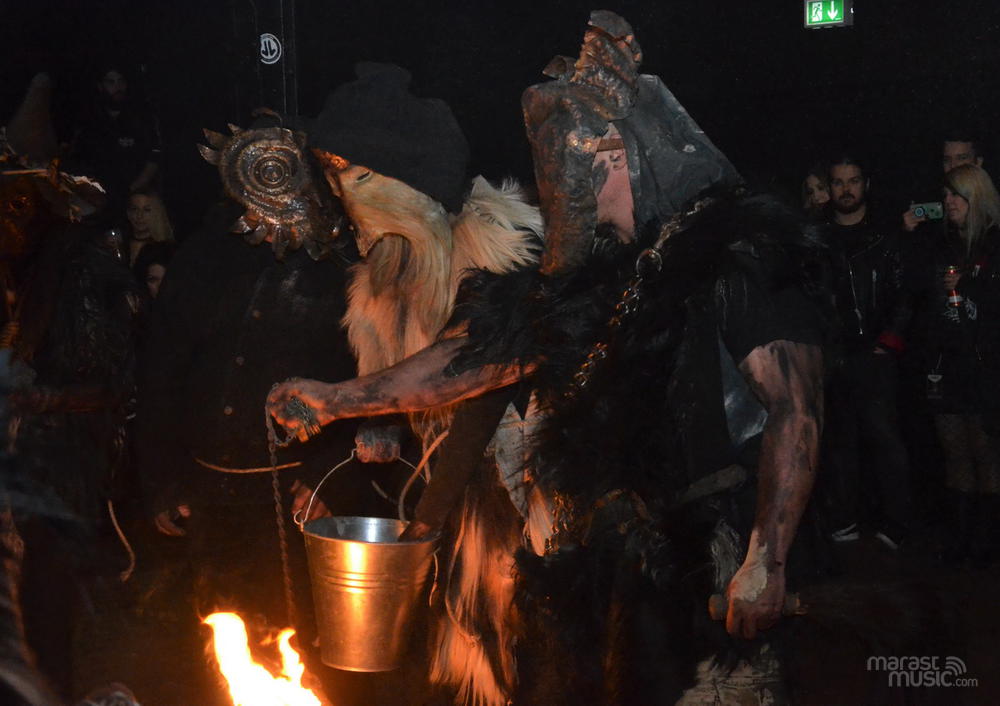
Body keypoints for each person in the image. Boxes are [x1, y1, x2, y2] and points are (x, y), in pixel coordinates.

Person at [269, 11, 828, 705]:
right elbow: (478, 359)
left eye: (571, 171)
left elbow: (795, 409)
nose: (561, 192)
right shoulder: (606, 275)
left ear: (616, 157)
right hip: (626, 563)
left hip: (719, 550)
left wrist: (766, 558)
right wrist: (339, 399)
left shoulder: (742, 258)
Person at [822, 154, 916, 550]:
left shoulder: (885, 237)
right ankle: (843, 518)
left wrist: (889, 340)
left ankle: (897, 522)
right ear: (829, 188)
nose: (846, 189)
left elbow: (905, 294)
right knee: (839, 441)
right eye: (839, 182)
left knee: (885, 438)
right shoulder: (816, 240)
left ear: (866, 184)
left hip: (875, 355)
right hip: (835, 357)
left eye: (853, 180)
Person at [918, 164, 1000, 565]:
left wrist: (968, 284)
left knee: (985, 450)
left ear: (976, 197)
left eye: (957, 195)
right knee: (954, 450)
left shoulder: (994, 245)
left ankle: (987, 542)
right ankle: (961, 540)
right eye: (946, 195)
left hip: (984, 365)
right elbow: (919, 296)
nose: (948, 202)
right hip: (946, 362)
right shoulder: (942, 244)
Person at [72, 66, 161, 227]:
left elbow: (154, 159)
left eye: (121, 81)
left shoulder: (142, 117)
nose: (117, 87)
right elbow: (79, 160)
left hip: (136, 197)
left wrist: (130, 191)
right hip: (100, 199)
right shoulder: (90, 119)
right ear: (101, 86)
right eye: (111, 82)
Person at [125, 190, 174, 266]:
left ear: (157, 213)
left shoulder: (165, 249)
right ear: (128, 213)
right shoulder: (121, 242)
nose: (139, 216)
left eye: (146, 210)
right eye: (135, 209)